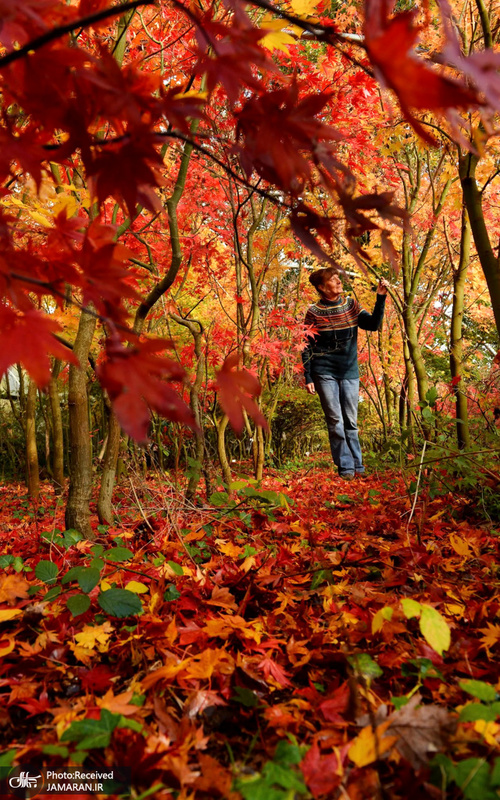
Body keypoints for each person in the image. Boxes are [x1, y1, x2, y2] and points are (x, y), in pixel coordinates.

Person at [302, 267, 388, 479]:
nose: (339, 282)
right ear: (322, 287)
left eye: (337, 278)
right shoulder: (313, 312)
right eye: (333, 280)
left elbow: (373, 325)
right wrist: (308, 376)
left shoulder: (350, 305)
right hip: (323, 371)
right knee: (335, 420)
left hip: (349, 370)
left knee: (351, 421)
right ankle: (346, 468)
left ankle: (358, 466)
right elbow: (306, 345)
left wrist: (380, 298)